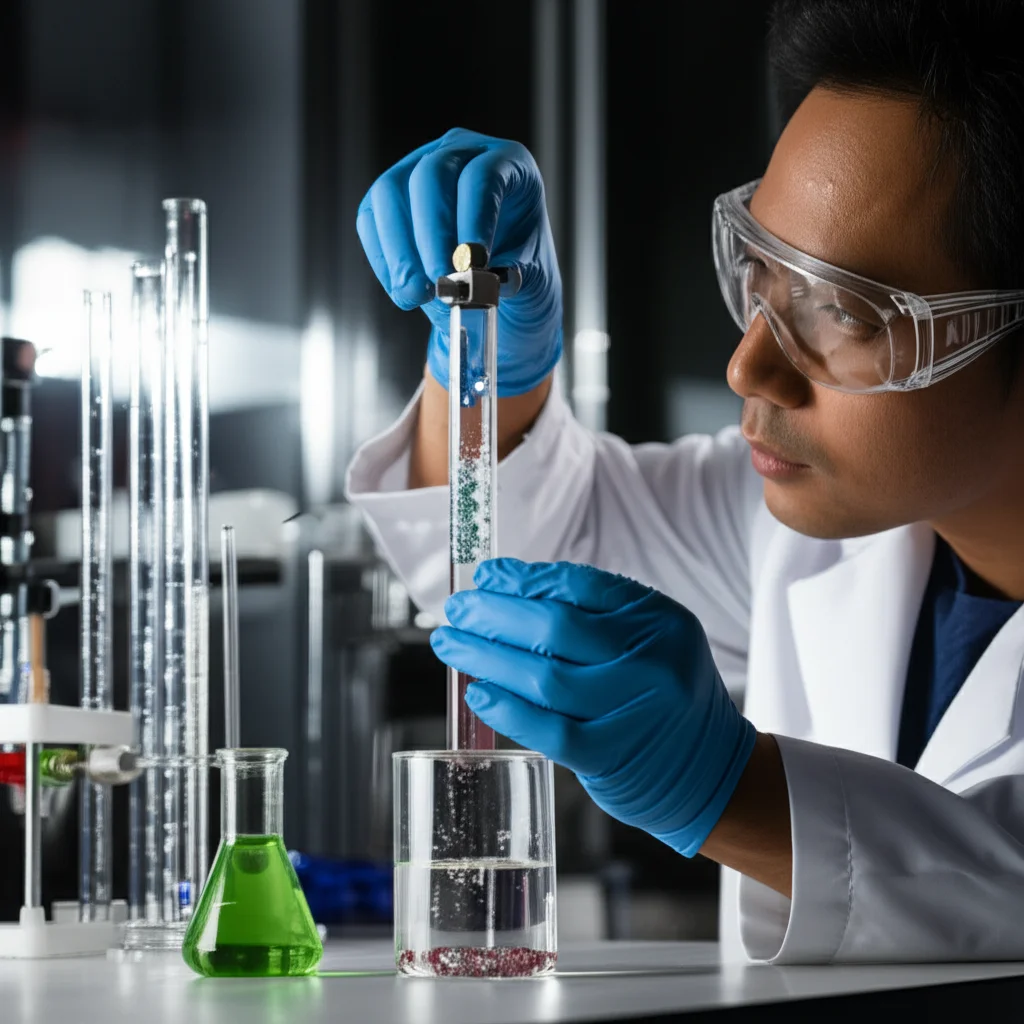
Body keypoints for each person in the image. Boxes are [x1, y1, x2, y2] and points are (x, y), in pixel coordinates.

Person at [347, 0, 1024, 963]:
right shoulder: (804, 523)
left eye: (839, 311)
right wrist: (494, 368)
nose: (750, 368)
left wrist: (728, 788)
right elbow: (506, 570)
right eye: (762, 276)